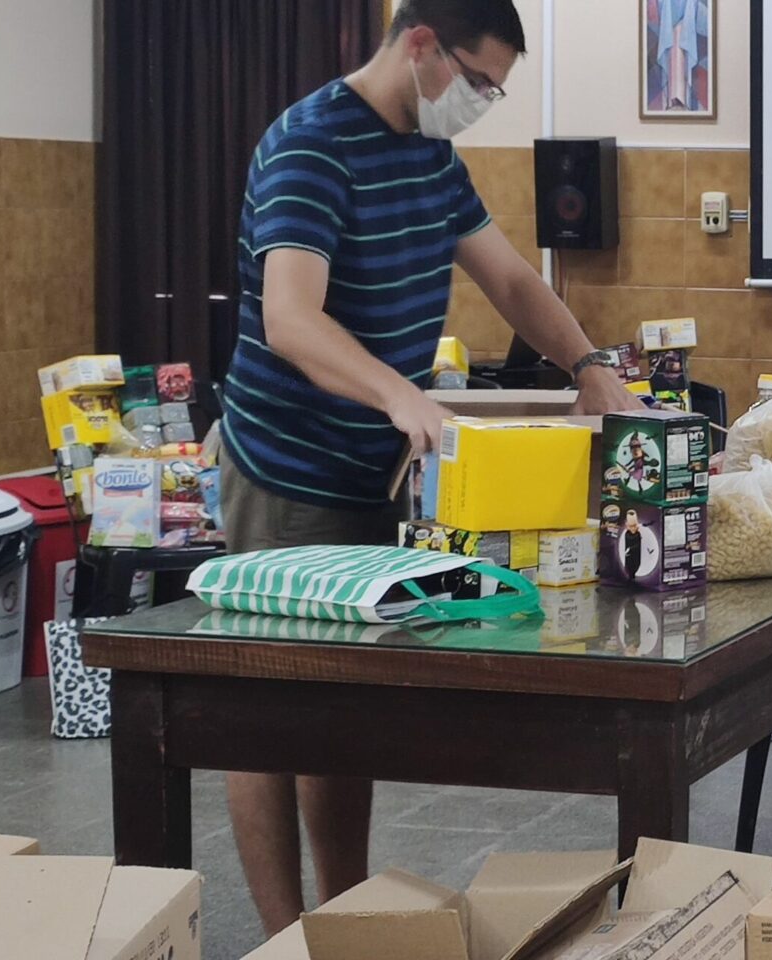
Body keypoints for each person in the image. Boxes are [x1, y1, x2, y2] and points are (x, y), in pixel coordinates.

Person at [221, 0, 641, 932]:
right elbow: (290, 319)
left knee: (344, 713)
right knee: (264, 714)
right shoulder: (311, 146)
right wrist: (400, 396)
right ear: (420, 45)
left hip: (377, 471)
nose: (482, 100)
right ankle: (284, 940)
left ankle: (344, 918)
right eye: (479, 79)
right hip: (288, 470)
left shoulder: (430, 154)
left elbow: (514, 280)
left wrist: (590, 365)